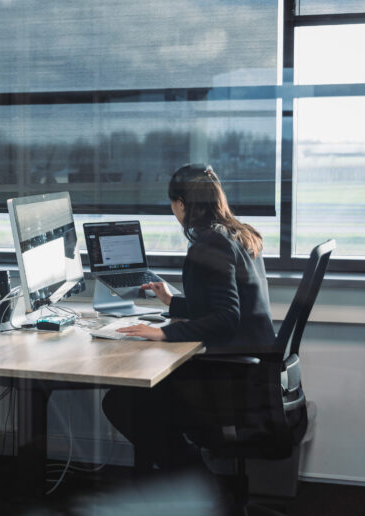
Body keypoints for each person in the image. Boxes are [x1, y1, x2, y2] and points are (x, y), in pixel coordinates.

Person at [102, 164, 276, 469]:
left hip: (231, 381)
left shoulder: (208, 245)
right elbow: (224, 304)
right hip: (254, 375)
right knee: (139, 396)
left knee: (122, 402)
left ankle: (193, 479)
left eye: (173, 204)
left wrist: (163, 333)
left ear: (181, 204)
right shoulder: (239, 234)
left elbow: (226, 318)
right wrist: (173, 304)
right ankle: (188, 479)